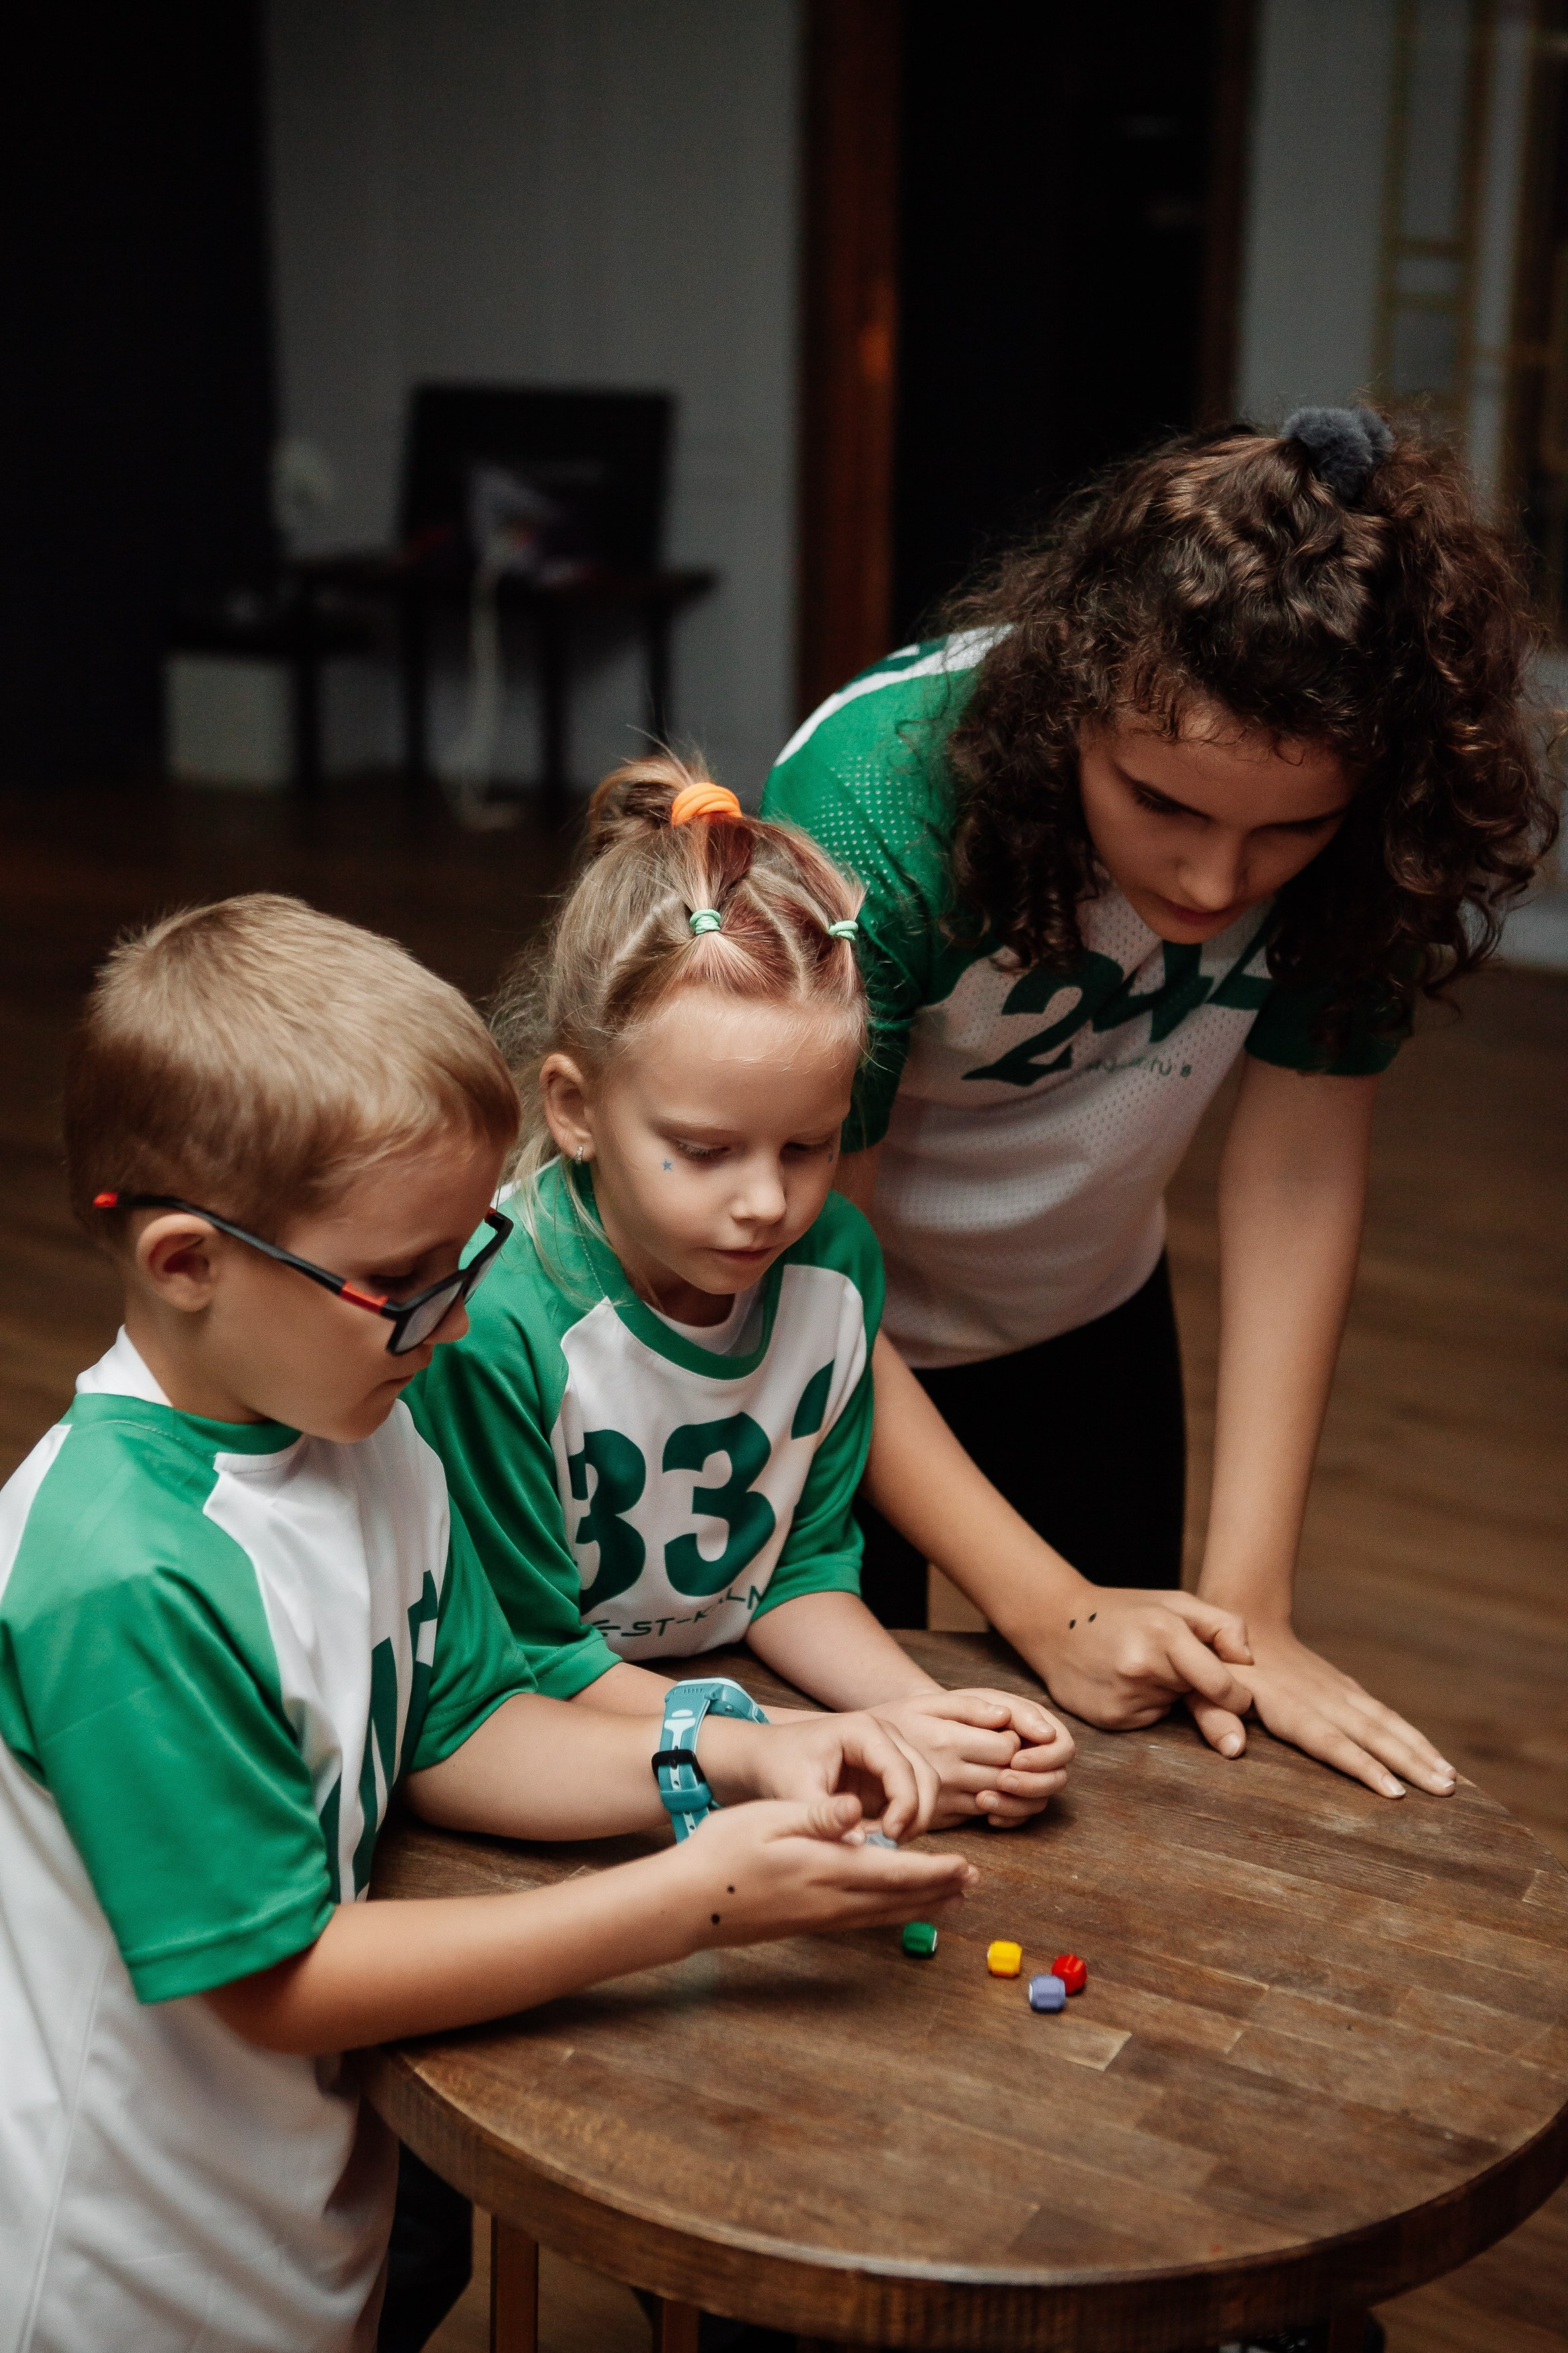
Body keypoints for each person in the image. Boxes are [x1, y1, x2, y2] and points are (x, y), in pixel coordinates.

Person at [0, 893, 975, 2353]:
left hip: (290, 2212)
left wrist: (743, 1750)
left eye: (469, 1259)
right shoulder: (121, 1575)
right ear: (186, 1264)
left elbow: (464, 1725)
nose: (455, 1324)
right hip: (121, 2270)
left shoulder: (365, 1427)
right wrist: (692, 1898)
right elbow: (279, 1979)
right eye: (400, 1283)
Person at [763, 405, 1556, 1802]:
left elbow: (1301, 1168)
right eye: (1160, 805)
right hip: (817, 1329)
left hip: (1083, 1308)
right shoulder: (875, 806)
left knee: (1132, 1754)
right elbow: (812, 1252)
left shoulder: (1370, 844)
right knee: (852, 1778)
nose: (1208, 884)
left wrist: (1254, 1611)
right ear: (1072, 696)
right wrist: (1041, 1606)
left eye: (1285, 831)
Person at [408, 756, 1074, 1836]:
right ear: (574, 1109)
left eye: (808, 1146)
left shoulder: (834, 1267)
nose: (767, 1203)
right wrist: (788, 1749)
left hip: (699, 1723)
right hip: (537, 1766)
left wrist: (926, 1712)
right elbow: (531, 1659)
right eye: (707, 1151)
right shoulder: (488, 1322)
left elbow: (795, 1568)